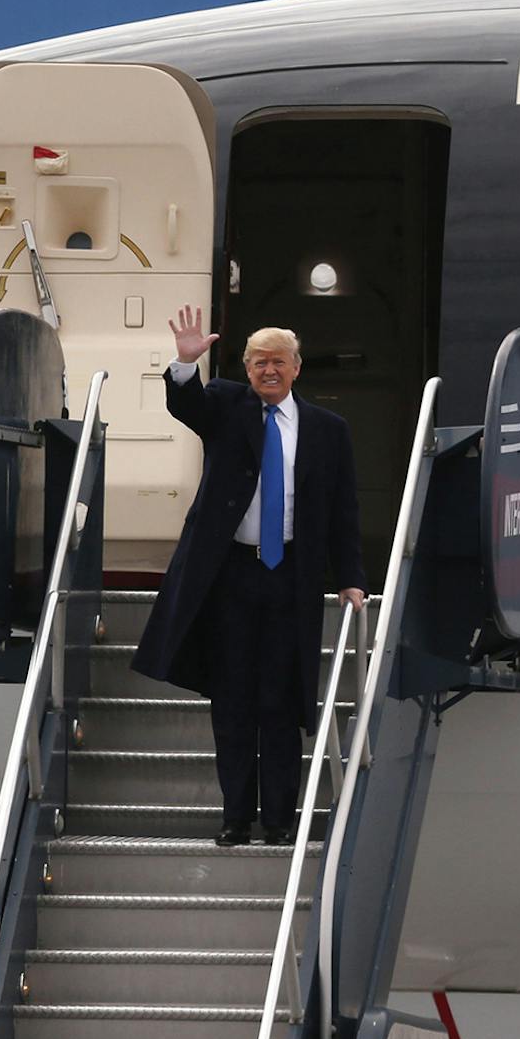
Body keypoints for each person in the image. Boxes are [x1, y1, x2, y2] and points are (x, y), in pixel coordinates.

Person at [132, 306, 366, 847]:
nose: (268, 370)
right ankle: (236, 817)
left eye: (278, 361)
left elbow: (343, 511)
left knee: (281, 701)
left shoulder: (328, 430)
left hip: (291, 577)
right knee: (233, 700)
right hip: (231, 576)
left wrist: (350, 576)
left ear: (296, 368)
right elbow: (187, 404)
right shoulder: (225, 405)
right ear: (246, 368)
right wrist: (185, 364)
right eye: (259, 361)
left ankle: (279, 820)